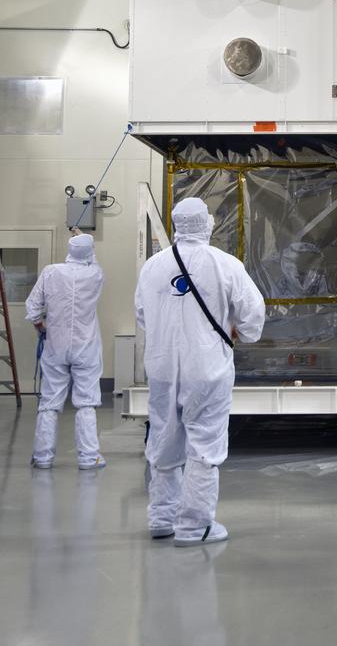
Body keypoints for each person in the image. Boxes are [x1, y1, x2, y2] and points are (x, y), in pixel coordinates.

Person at [135, 197, 266, 546]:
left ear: (178, 224)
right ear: (206, 224)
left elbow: (143, 316)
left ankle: (161, 518)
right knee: (204, 445)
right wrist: (239, 330)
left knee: (163, 438)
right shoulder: (224, 264)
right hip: (206, 368)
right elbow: (253, 314)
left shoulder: (152, 267)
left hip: (161, 367)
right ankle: (195, 526)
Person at [25, 232, 106, 470]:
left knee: (49, 401)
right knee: (86, 402)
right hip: (86, 347)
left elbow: (32, 308)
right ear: (89, 252)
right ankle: (89, 457)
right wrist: (84, 237)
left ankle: (42, 457)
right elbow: (93, 261)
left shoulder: (51, 271)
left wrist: (41, 328)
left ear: (69, 250)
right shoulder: (95, 274)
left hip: (55, 345)